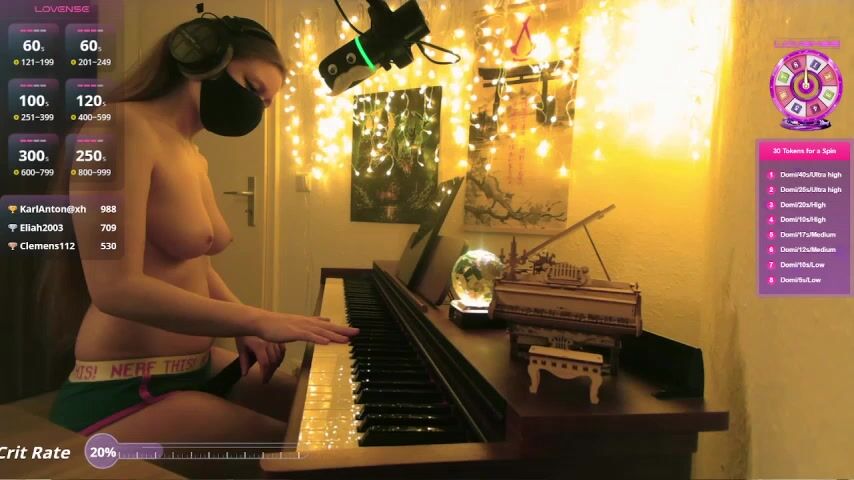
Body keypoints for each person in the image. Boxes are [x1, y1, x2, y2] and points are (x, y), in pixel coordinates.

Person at [43, 15, 358, 445]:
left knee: (332, 415)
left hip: (195, 365)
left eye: (265, 103)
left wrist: (244, 325)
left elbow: (194, 264)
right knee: (304, 453)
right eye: (252, 88)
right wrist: (261, 319)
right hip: (129, 385)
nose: (255, 108)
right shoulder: (118, 127)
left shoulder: (192, 153)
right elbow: (114, 288)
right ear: (202, 59)